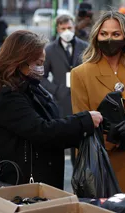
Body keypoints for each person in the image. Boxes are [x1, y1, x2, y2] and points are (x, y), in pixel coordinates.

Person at [0, 30, 102, 190]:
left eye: (42, 63)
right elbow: (42, 131)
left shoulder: (32, 88)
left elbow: (54, 126)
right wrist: (84, 120)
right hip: (25, 187)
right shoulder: (8, 97)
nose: (41, 69)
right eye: (38, 63)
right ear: (19, 62)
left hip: (44, 182)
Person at [70, 11, 125, 192]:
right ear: (96, 37)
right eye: (104, 34)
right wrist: (112, 135)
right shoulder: (80, 74)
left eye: (115, 34)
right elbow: (80, 121)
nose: (109, 39)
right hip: (99, 164)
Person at [41, 14, 88, 166]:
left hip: (81, 101)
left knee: (80, 145)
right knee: (60, 143)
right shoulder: (49, 49)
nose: (67, 31)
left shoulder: (85, 47)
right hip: (60, 102)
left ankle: (80, 179)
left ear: (74, 27)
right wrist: (56, 90)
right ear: (58, 29)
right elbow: (42, 77)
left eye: (69, 28)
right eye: (63, 28)